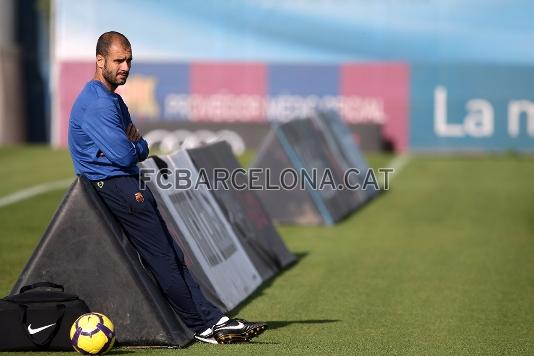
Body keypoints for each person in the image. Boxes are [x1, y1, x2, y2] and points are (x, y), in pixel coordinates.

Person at [68, 31, 266, 344]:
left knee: (173, 254)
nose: (125, 67)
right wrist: (134, 147)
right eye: (118, 60)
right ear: (100, 60)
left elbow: (139, 145)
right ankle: (203, 326)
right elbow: (125, 153)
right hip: (116, 186)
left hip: (127, 180)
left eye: (129, 60)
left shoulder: (114, 101)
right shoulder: (98, 105)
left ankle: (214, 319)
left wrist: (136, 146)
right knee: (163, 258)